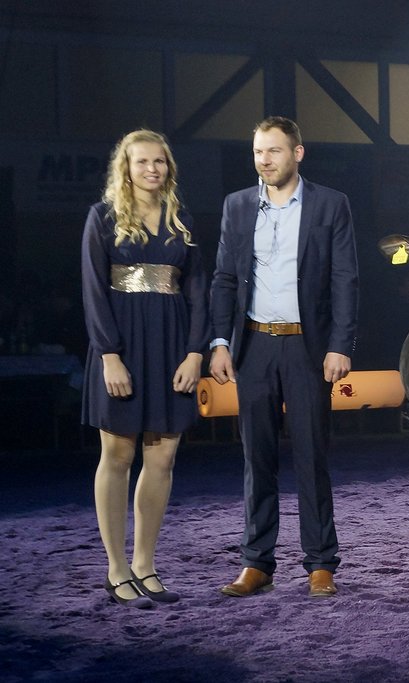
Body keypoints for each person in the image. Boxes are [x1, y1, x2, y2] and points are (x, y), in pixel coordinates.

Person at [210, 117, 359, 599]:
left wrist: (340, 344)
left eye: (274, 151)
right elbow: (224, 279)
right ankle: (257, 563)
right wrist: (219, 342)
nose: (265, 160)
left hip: (307, 347)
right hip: (252, 345)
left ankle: (320, 563)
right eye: (258, 152)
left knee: (312, 455)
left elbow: (344, 279)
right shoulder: (235, 206)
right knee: (257, 457)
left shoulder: (330, 204)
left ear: (298, 153)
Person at [81, 129, 208, 608]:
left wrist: (195, 352)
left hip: (172, 347)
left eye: (159, 161)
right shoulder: (102, 217)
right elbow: (94, 290)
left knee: (162, 460)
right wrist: (109, 353)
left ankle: (144, 566)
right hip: (122, 349)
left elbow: (198, 292)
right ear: (126, 168)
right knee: (116, 457)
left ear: (168, 168)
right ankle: (116, 569)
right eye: (141, 162)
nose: (151, 169)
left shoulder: (182, 222)